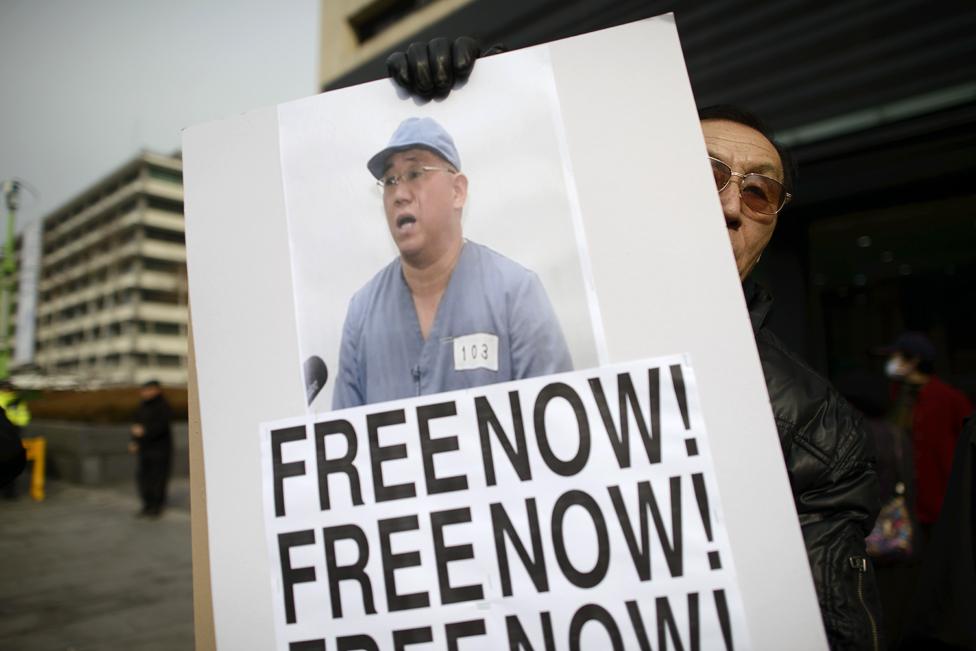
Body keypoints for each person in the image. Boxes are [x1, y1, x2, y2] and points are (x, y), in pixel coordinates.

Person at [384, 42, 882, 649]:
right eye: (707, 173)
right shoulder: (522, 324)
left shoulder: (816, 430)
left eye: (758, 194)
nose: (730, 205)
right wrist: (474, 97)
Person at [332, 116, 573, 408]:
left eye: (415, 173)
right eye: (390, 181)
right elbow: (341, 446)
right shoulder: (362, 314)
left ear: (457, 191)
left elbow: (559, 427)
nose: (399, 195)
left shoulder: (516, 294)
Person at [884, 331, 973, 536]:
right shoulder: (895, 394)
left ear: (914, 360)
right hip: (907, 500)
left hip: (942, 497)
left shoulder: (948, 398)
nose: (892, 363)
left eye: (896, 356)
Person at [130, 380, 173, 518]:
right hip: (144, 449)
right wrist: (134, 441)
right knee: (144, 477)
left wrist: (145, 432)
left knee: (158, 478)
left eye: (148, 390)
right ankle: (147, 505)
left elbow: (161, 427)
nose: (145, 393)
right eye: (144, 390)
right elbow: (136, 425)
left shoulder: (163, 406)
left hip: (160, 449)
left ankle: (157, 506)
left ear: (157, 390)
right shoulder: (142, 405)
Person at [0, 380, 30, 498]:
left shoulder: (18, 401)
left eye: (9, 388)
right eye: (5, 388)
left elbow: (24, 418)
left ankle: (10, 492)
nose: (8, 390)